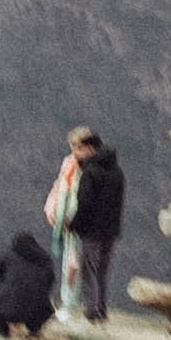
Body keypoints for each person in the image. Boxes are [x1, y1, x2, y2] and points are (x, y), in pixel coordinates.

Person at [45, 123, 126, 322]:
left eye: (78, 148)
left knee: (88, 272)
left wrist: (73, 225)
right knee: (101, 272)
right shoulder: (117, 171)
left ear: (90, 148)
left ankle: (92, 311)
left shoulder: (90, 172)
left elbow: (85, 204)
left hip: (92, 231)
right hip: (111, 230)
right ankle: (101, 310)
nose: (75, 153)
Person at [0, 227, 57, 338]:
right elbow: (50, 283)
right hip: (35, 311)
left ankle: (3, 332)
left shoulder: (7, 255)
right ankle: (34, 331)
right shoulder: (45, 259)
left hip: (5, 309)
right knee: (40, 304)